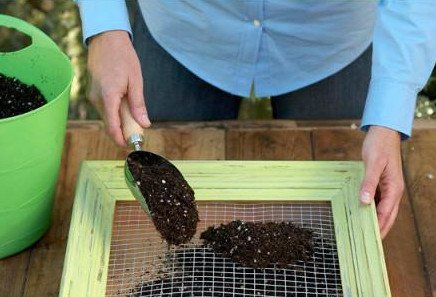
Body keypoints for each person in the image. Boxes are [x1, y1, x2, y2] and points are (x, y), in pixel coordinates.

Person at [77, 0, 436, 238]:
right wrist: (105, 27)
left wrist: (389, 112)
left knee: (346, 212)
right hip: (185, 27)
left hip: (332, 39)